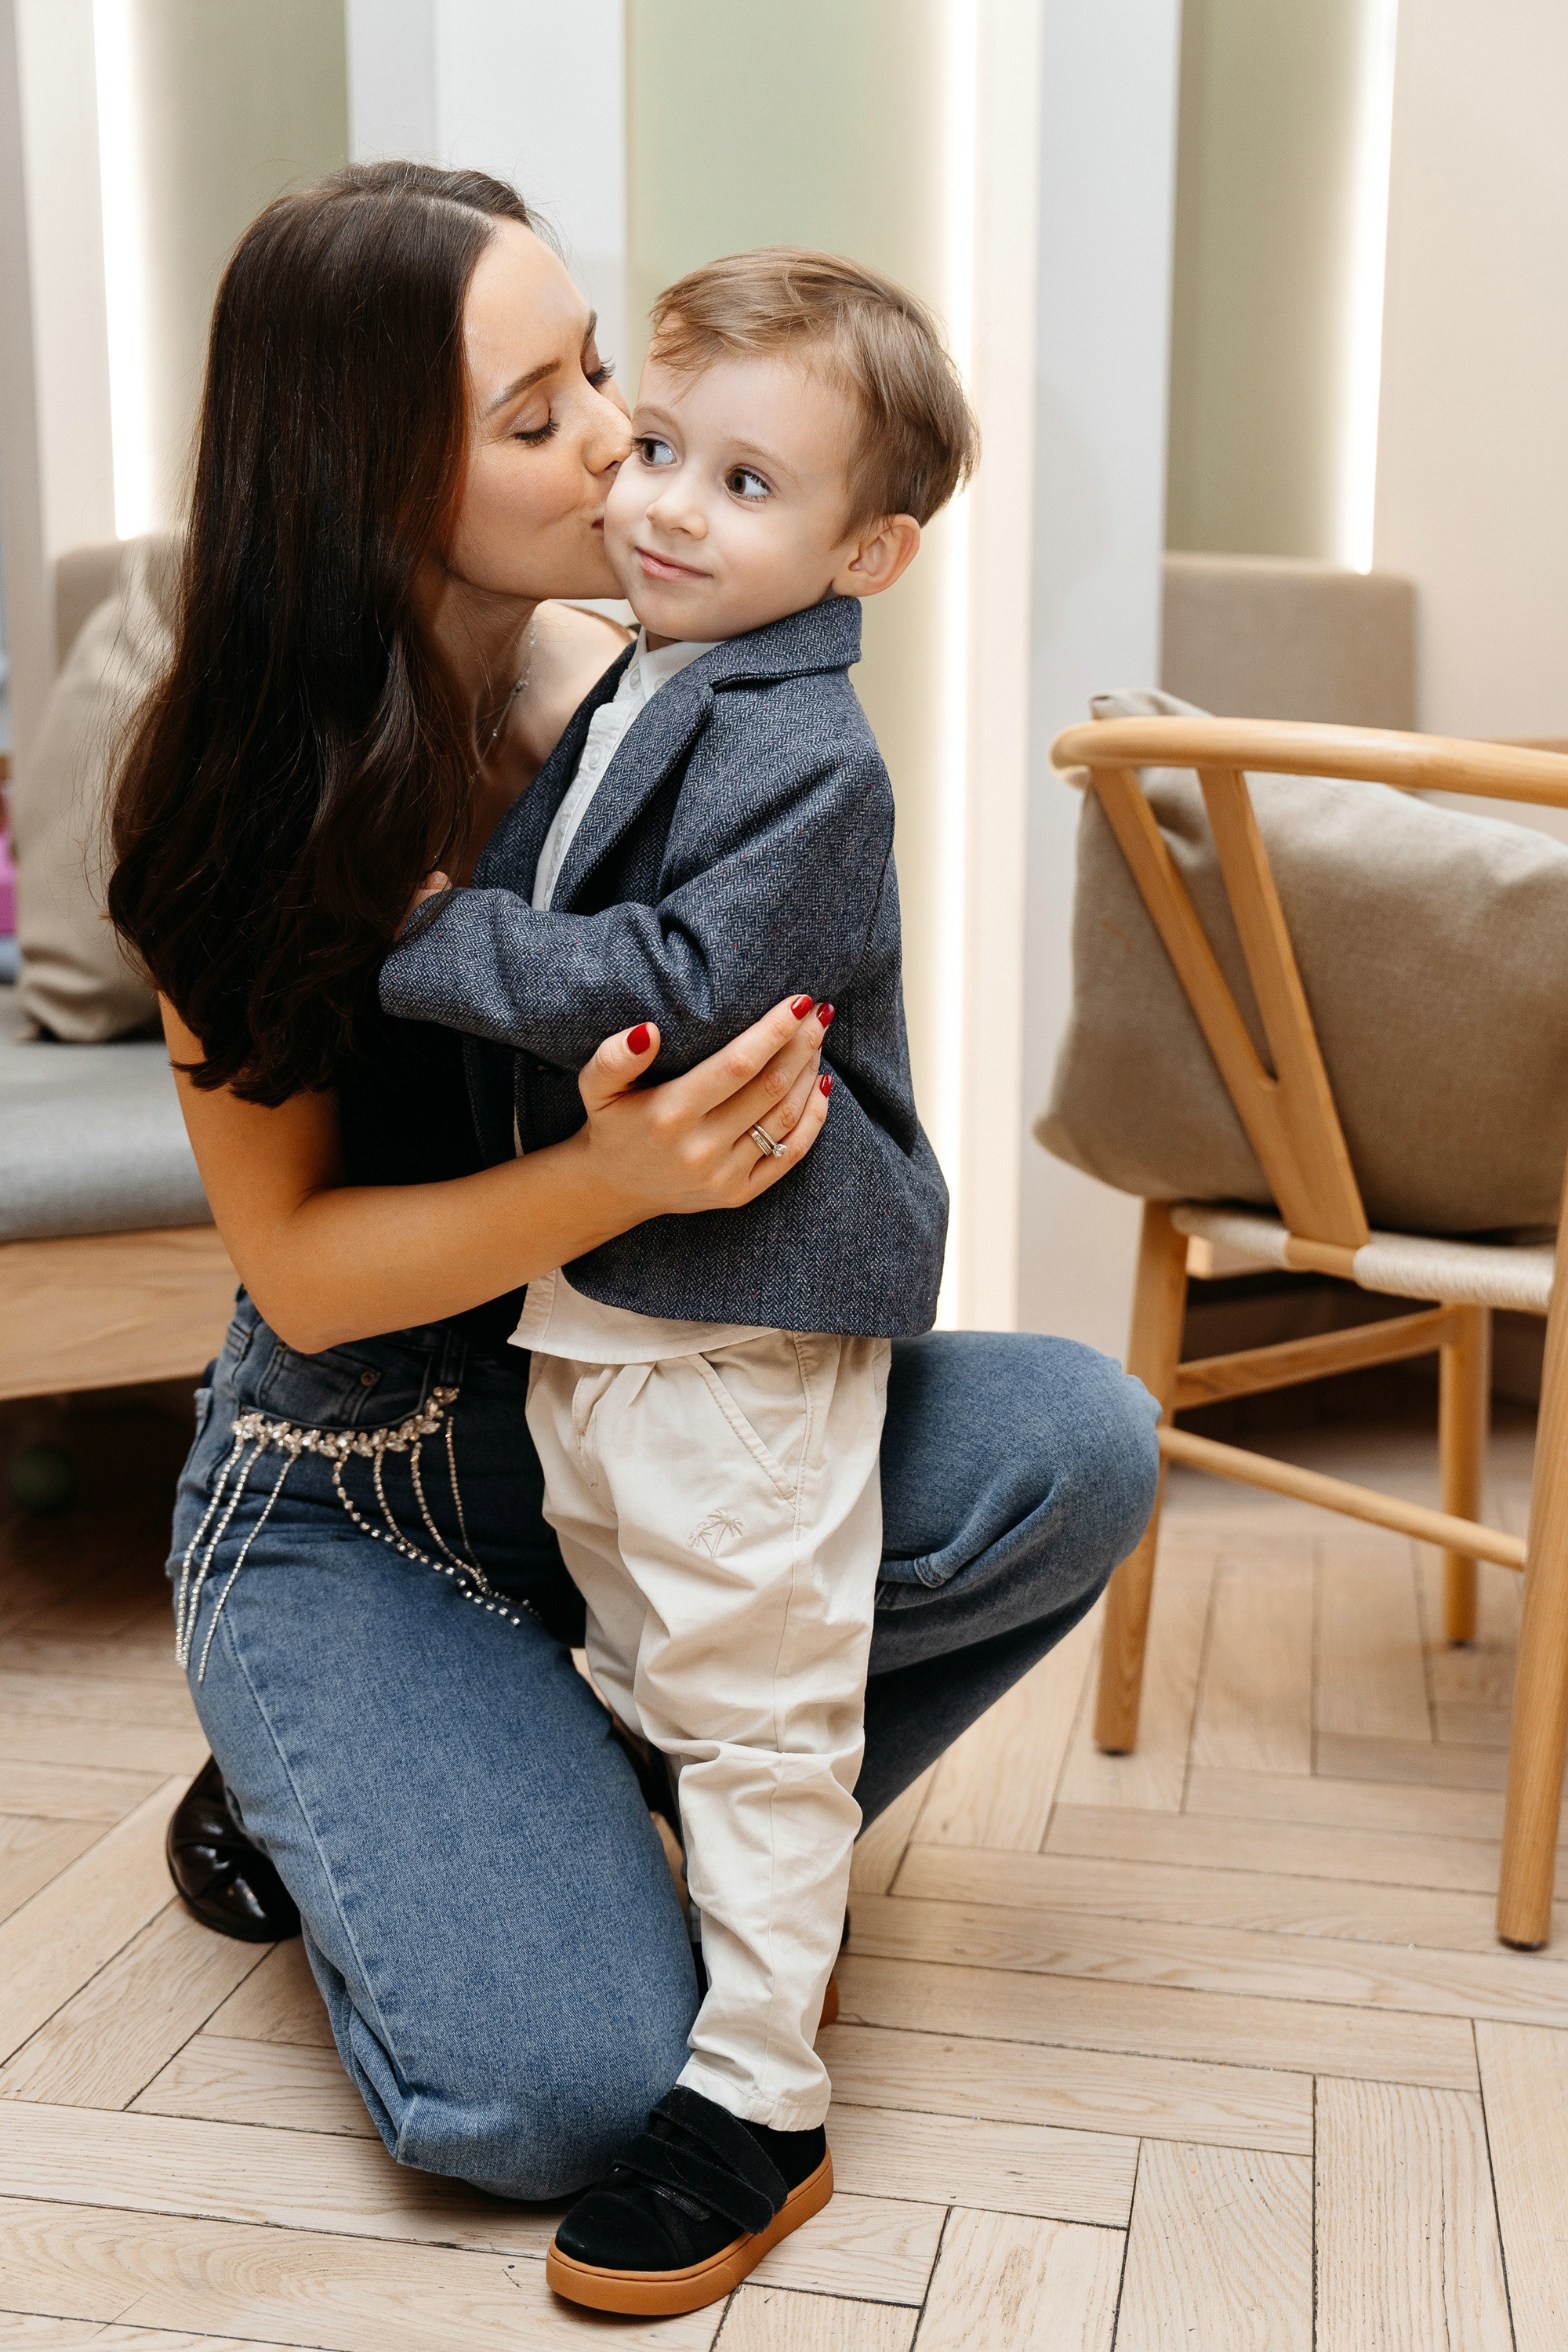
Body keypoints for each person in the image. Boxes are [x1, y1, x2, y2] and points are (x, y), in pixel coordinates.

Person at [107, 160, 1157, 2270]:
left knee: (1072, 1443)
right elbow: (298, 1268)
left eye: (603, 375)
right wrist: (601, 1177)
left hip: (643, 1395)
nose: (619, 444)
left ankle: (584, 1780)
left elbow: (783, 1044)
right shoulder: (225, 786)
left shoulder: (664, 686)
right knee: (562, 2095)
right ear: (368, 481)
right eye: (544, 416)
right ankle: (336, 1774)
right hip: (358, 1477)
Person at [379, 249, 975, 2314]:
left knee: (755, 1715)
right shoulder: (650, 671)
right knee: (644, 1655)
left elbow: (691, 989)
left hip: (738, 1307)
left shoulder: (808, 751)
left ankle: (760, 2103)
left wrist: (436, 936)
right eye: (660, 444)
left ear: (866, 552)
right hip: (617, 1308)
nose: (659, 504)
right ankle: (633, 1883)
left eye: (745, 486)